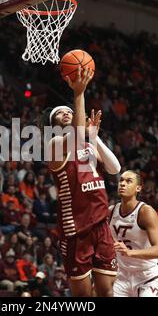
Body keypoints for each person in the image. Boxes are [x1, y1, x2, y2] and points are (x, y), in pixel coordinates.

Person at [44, 67, 121, 296]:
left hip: (101, 224)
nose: (66, 113)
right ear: (53, 124)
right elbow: (76, 134)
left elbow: (114, 168)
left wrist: (94, 138)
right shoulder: (54, 146)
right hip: (77, 228)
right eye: (60, 113)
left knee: (107, 292)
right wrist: (79, 93)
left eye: (69, 111)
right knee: (83, 297)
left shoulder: (87, 145)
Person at [109, 170, 158, 297]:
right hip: (121, 275)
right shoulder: (111, 212)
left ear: (138, 188)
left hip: (146, 275)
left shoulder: (146, 212)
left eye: (128, 181)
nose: (123, 184)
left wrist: (130, 253)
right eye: (121, 180)